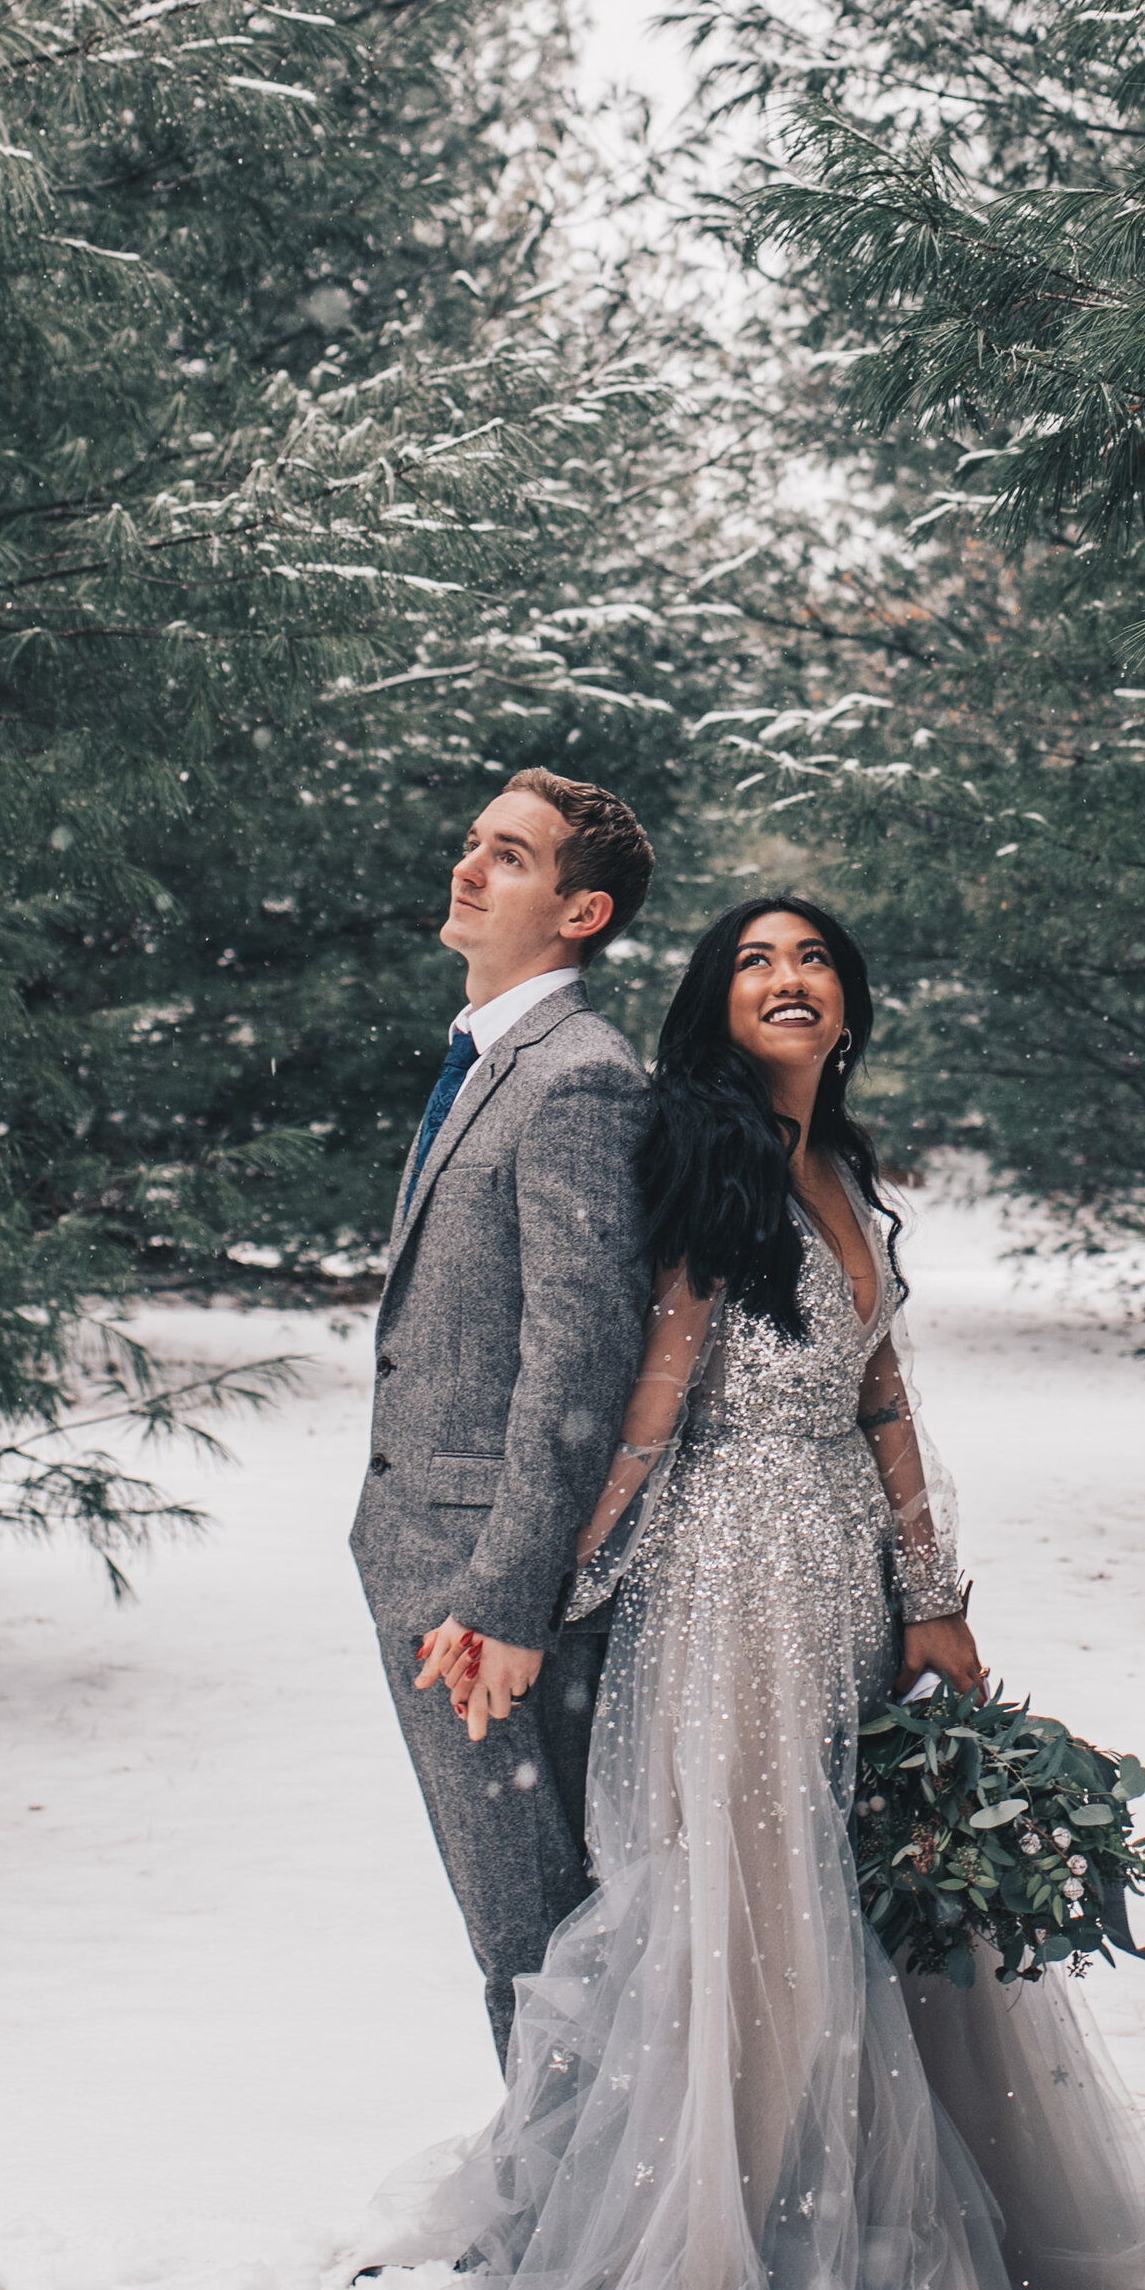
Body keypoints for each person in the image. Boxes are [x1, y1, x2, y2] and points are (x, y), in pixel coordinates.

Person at [337, 895, 1145, 2290]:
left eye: (813, 962)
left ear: (848, 1009)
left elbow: (883, 1391)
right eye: (754, 960)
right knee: (740, 1907)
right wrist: (523, 1598)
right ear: (716, 1004)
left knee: (850, 1896)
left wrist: (931, 1592)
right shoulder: (706, 1156)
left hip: (838, 1578)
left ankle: (863, 2233)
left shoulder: (841, 1165)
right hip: (721, 1582)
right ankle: (706, 2263)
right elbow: (645, 1401)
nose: (787, 979)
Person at [348, 768, 656, 2062]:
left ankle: (564, 2228)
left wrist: (508, 1602)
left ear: (581, 911)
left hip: (488, 1591)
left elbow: (577, 1366)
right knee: (511, 1925)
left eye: (512, 856)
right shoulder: (485, 1059)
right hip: (431, 1566)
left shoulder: (578, 1079)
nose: (469, 867)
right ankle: (552, 2196)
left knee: (536, 1932)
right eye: (475, 842)